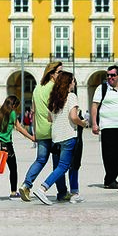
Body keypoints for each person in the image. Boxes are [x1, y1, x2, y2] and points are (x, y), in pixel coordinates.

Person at [30, 71, 87, 205]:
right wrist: (83, 123)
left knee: (70, 164)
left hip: (57, 137)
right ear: (68, 83)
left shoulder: (54, 98)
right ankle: (43, 188)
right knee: (63, 166)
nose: (74, 84)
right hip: (69, 135)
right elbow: (73, 117)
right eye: (73, 81)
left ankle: (75, 193)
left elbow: (50, 118)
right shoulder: (71, 96)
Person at [18, 62, 67, 202]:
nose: (61, 75)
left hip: (40, 130)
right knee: (59, 164)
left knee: (40, 160)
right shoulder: (55, 88)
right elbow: (58, 109)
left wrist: (35, 130)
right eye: (59, 72)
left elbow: (33, 111)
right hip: (54, 130)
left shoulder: (37, 88)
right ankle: (62, 192)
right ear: (51, 74)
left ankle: (26, 185)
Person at [90, 65, 118, 189]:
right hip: (107, 126)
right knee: (108, 154)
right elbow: (94, 106)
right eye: (108, 75)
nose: (110, 77)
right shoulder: (102, 88)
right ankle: (109, 179)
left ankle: (111, 179)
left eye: (113, 75)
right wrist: (94, 123)